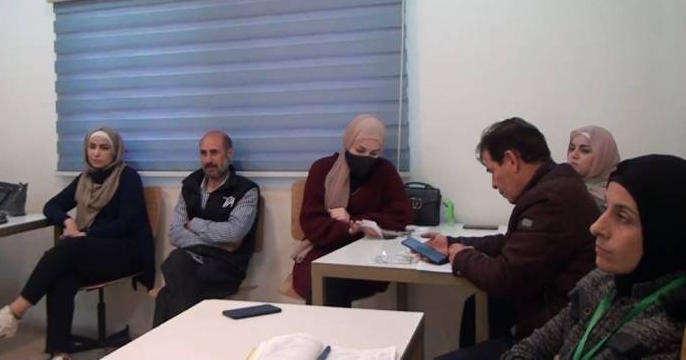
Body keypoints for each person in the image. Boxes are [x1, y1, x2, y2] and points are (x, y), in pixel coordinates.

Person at [428, 117, 601, 359]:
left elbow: (504, 277)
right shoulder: (553, 186)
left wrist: (461, 257)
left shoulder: (551, 200)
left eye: (492, 171)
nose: (493, 183)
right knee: (475, 307)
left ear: (511, 160)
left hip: (553, 335)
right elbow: (513, 243)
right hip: (542, 306)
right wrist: (451, 243)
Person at [0, 127, 153, 360]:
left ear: (115, 151)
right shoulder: (84, 179)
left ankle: (13, 313)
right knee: (61, 275)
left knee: (68, 248)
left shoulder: (127, 177)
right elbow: (51, 206)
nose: (96, 153)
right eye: (92, 147)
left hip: (126, 251)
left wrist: (85, 234)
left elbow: (126, 223)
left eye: (104, 148)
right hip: (90, 251)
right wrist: (69, 222)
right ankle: (60, 353)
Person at [502, 154, 686, 359]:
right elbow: (534, 345)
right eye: (606, 207)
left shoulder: (666, 333)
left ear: (665, 233)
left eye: (622, 217)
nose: (596, 227)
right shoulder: (603, 281)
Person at [290, 113, 414, 307]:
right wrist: (347, 229)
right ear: (348, 143)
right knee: (324, 281)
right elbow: (311, 222)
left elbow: (401, 216)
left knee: (335, 283)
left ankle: (335, 328)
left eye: (374, 154)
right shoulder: (323, 170)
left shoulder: (385, 171)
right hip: (324, 250)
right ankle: (324, 328)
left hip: (369, 254)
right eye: (360, 150)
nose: (366, 158)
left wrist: (355, 221)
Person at [153, 130, 260, 326]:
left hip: (226, 266)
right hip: (192, 259)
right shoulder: (190, 186)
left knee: (168, 289)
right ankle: (188, 339)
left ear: (229, 154)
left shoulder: (245, 190)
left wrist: (195, 224)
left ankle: (168, 342)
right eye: (203, 153)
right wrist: (219, 243)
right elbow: (175, 234)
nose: (208, 160)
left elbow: (234, 233)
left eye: (214, 152)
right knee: (178, 265)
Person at [567, 125, 620, 209]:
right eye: (572, 148)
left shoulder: (617, 199)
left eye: (584, 150)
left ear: (603, 157)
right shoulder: (560, 186)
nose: (574, 155)